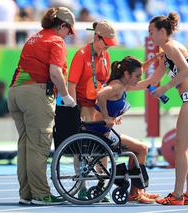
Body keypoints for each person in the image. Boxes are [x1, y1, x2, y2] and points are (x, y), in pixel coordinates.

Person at [7, 7, 76, 205]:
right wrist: (66, 96)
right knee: (38, 146)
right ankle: (41, 194)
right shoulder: (56, 41)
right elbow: (55, 72)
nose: (68, 36)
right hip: (35, 94)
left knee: (25, 146)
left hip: (15, 92)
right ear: (62, 26)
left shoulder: (34, 37)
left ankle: (26, 194)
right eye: (68, 31)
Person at [147, 12, 188, 205]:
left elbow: (187, 71)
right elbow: (153, 80)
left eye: (152, 32)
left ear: (163, 31)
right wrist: (132, 78)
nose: (150, 37)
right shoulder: (167, 52)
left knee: (181, 149)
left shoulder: (170, 46)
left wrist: (165, 88)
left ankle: (176, 195)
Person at [88, 56, 161, 204]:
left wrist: (153, 61)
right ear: (126, 74)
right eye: (137, 76)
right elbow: (101, 95)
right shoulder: (118, 87)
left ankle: (137, 191)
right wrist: (107, 117)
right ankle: (135, 193)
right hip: (101, 134)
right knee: (142, 149)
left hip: (103, 132)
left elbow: (146, 81)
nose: (139, 79)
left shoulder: (123, 84)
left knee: (139, 149)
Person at [67, 19, 118, 202]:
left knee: (102, 145)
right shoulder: (81, 55)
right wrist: (74, 110)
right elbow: (71, 85)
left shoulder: (105, 56)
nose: (108, 48)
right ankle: (82, 187)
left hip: (98, 106)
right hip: (82, 105)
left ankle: (101, 186)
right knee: (83, 147)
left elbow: (105, 84)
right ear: (96, 37)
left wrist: (109, 112)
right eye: (106, 43)